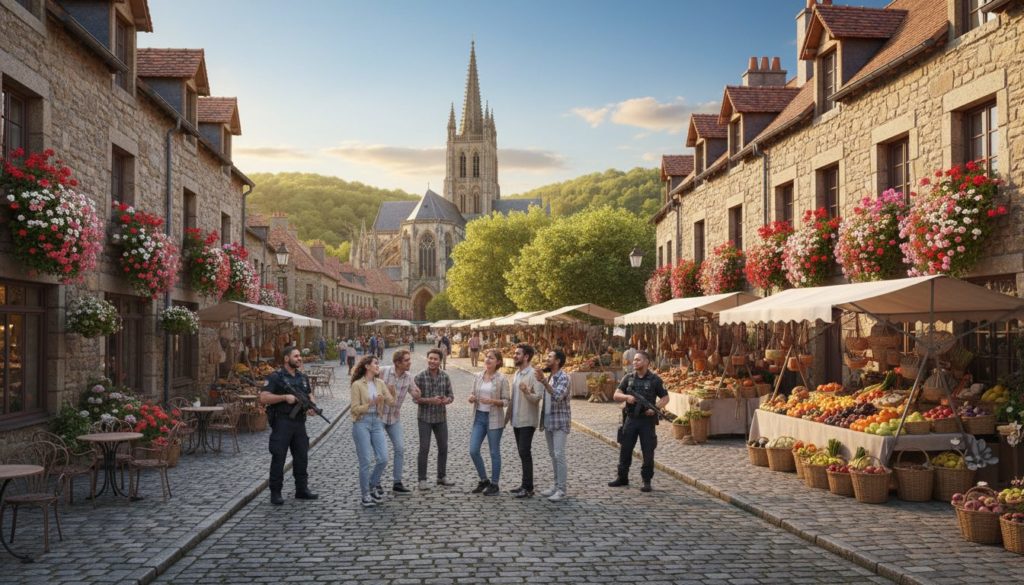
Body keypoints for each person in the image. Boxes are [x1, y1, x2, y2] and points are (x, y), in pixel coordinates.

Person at [259, 346, 319, 505]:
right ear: (286, 358)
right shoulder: (275, 377)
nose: (299, 358)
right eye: (296, 356)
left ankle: (302, 489)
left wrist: (312, 406)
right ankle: (275, 492)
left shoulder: (302, 377)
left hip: (299, 423)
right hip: (282, 422)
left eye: (300, 356)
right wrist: (284, 397)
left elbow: (309, 394)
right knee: (279, 457)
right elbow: (263, 397)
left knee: (302, 457)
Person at [609, 350, 669, 492]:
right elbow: (616, 395)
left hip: (647, 421)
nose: (635, 362)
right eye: (634, 360)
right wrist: (627, 397)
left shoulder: (655, 380)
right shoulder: (628, 378)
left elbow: (665, 398)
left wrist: (655, 408)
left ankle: (646, 481)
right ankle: (622, 477)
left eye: (638, 360)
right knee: (625, 449)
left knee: (648, 451)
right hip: (631, 419)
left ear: (647, 362)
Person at [350, 355, 396, 507]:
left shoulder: (380, 383)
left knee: (383, 458)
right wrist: (370, 404)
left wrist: (393, 392)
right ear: (367, 366)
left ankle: (372, 484)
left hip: (377, 422)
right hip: (361, 422)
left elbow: (391, 402)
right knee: (365, 461)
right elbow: (354, 409)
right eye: (376, 363)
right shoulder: (357, 385)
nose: (378, 366)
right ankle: (365, 495)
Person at [468, 349, 510, 496]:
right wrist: (471, 397)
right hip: (479, 417)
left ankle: (495, 484)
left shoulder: (502, 379)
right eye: (486, 357)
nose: (487, 359)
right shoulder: (478, 376)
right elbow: (473, 393)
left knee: (494, 452)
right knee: (473, 450)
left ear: (498, 362)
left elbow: (506, 401)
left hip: (494, 418)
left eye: (491, 358)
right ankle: (484, 480)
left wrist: (492, 401)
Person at [378, 349, 420, 495]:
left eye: (409, 360)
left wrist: (417, 393)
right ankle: (376, 483)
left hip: (394, 418)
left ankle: (397, 483)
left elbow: (415, 395)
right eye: (406, 360)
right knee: (381, 453)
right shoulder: (383, 371)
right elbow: (366, 381)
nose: (410, 363)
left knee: (400, 448)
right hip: (378, 418)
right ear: (397, 362)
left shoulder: (408, 377)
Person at [506, 343, 544, 498]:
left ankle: (528, 488)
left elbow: (538, 398)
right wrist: (506, 419)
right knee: (522, 453)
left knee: (524, 452)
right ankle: (524, 485)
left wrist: (527, 392)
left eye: (518, 353)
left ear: (526, 356)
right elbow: (512, 399)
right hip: (516, 419)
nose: (514, 356)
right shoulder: (517, 373)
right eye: (515, 353)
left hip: (528, 420)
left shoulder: (534, 374)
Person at [414, 348, 455, 490]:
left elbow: (451, 396)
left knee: (443, 447)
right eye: (430, 358)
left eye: (435, 359)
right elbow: (415, 399)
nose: (432, 361)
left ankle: (441, 477)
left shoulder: (445, 376)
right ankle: (422, 480)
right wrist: (430, 400)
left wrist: (447, 400)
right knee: (424, 448)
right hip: (424, 418)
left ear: (440, 361)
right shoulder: (419, 377)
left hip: (440, 418)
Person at [535, 348, 571, 502]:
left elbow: (557, 396)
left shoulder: (564, 377)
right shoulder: (550, 376)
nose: (547, 358)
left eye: (550, 356)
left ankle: (561, 489)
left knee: (559, 454)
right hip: (549, 421)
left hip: (560, 421)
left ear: (558, 361)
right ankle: (556, 485)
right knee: (553, 455)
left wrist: (543, 381)